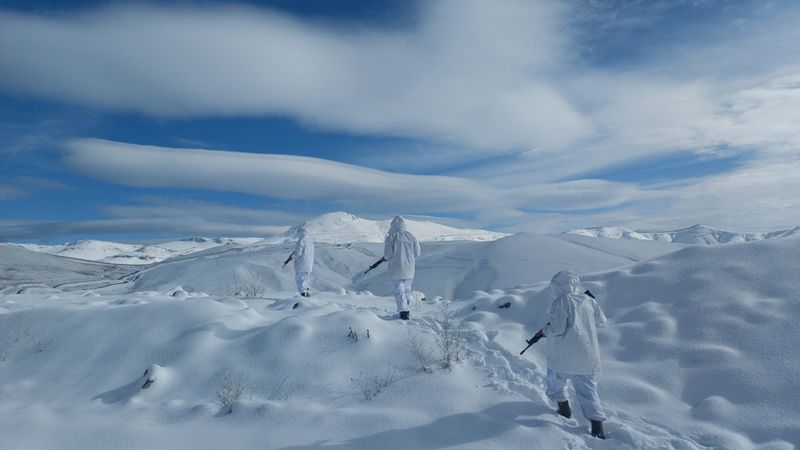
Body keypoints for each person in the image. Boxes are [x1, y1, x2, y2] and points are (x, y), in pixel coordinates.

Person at [526, 270, 608, 439]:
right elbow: (602, 321)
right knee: (588, 391)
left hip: (565, 356)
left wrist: (544, 332)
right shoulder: (588, 300)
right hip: (588, 356)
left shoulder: (561, 301)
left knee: (555, 379)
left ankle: (564, 409)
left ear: (559, 285)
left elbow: (557, 328)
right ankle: (597, 428)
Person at [368, 216, 421, 320]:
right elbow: (417, 253)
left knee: (399, 290)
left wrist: (384, 259)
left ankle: (404, 312)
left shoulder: (392, 237)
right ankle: (406, 307)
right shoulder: (411, 236)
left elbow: (388, 255)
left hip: (397, 268)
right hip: (410, 268)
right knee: (407, 289)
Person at [283, 227, 315, 297]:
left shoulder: (301, 240)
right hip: (308, 264)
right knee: (306, 279)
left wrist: (292, 256)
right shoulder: (310, 241)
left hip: (301, 263)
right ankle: (307, 293)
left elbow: (298, 253)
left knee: (299, 279)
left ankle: (302, 294)